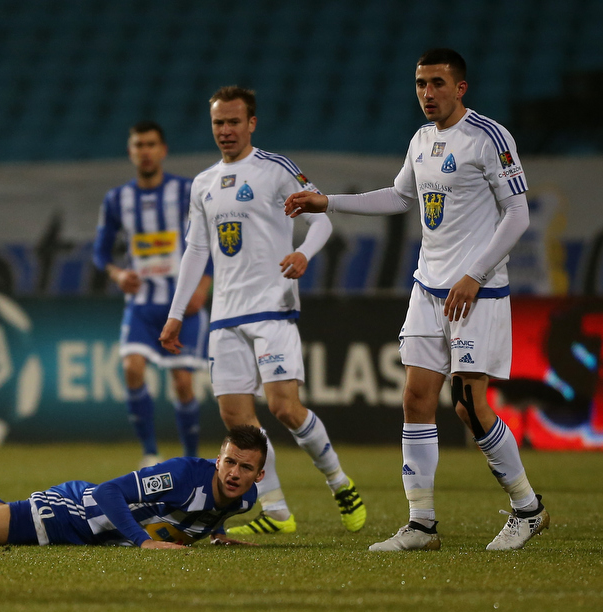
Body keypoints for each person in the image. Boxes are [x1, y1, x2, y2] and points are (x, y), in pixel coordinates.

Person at [285, 48, 549, 551]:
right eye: (420, 84)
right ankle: (422, 524)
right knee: (415, 398)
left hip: (477, 291)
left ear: (460, 88)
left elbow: (518, 215)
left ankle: (527, 508)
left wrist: (474, 274)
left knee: (469, 406)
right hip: (428, 289)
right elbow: (401, 197)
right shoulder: (422, 140)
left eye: (437, 83)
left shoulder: (488, 138)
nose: (427, 93)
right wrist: (329, 201)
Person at [159, 86, 366, 536]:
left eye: (234, 121)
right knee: (237, 423)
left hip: (272, 307)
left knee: (285, 408)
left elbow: (322, 218)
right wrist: (177, 313)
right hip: (225, 316)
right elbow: (196, 250)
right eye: (219, 123)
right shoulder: (203, 183)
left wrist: (305, 254)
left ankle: (339, 482)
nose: (226, 130)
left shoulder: (276, 170)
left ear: (251, 123)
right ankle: (275, 513)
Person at [0, 426, 267, 548]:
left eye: (244, 467)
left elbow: (210, 509)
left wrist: (217, 534)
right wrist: (144, 543)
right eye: (228, 462)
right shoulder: (182, 476)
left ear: (258, 476)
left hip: (87, 531)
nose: (233, 473)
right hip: (72, 515)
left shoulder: (243, 498)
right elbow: (107, 493)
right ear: (217, 460)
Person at [92, 121, 213, 468]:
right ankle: (149, 453)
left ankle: (191, 462)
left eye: (150, 144)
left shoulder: (187, 191)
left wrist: (202, 287)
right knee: (131, 368)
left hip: (182, 304)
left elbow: (214, 239)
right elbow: (100, 252)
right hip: (141, 304)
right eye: (138, 145)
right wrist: (117, 274)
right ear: (131, 151)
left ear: (163, 150)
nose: (144, 151)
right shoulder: (117, 199)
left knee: (183, 383)